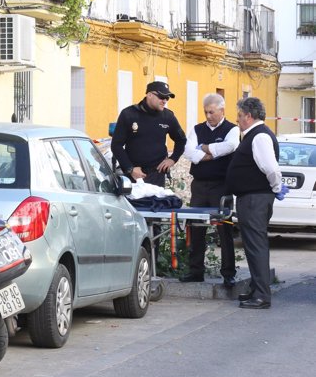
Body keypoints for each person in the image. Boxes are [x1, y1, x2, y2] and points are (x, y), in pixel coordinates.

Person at [226, 97, 286, 310]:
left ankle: (261, 295)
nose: (238, 120)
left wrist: (277, 188)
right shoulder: (255, 135)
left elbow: (270, 168)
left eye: (240, 116)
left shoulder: (259, 136)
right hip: (252, 198)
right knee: (253, 246)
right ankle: (256, 288)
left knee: (256, 246)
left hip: (255, 199)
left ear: (248, 116)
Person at [180, 94, 239, 286]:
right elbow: (188, 151)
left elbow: (230, 146)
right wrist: (212, 154)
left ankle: (228, 273)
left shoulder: (232, 129)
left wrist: (204, 148)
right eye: (206, 112)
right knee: (195, 227)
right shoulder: (197, 129)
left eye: (211, 112)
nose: (208, 116)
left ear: (222, 110)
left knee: (224, 229)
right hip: (199, 185)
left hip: (221, 186)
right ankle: (196, 271)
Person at [111, 81, 187, 187]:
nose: (164, 100)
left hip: (156, 174)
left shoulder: (168, 117)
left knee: (155, 203)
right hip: (133, 175)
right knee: (134, 204)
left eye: (167, 98)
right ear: (149, 95)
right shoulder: (128, 114)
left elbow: (181, 140)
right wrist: (130, 169)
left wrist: (172, 159)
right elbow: (116, 145)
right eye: (161, 96)